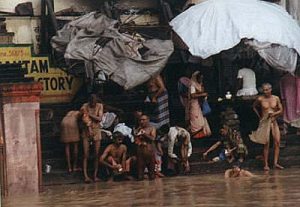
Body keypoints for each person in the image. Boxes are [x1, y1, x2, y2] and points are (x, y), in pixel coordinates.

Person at [250, 83, 284, 171]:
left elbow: (281, 110)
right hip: (264, 122)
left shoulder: (275, 98)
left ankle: (275, 163)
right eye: (264, 90)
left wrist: (274, 114)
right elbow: (254, 107)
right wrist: (260, 116)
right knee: (266, 143)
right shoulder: (260, 99)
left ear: (270, 89)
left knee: (277, 141)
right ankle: (266, 164)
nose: (265, 92)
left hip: (273, 120)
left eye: (267, 90)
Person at [81, 94, 103, 183]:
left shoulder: (100, 106)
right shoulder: (84, 106)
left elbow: (99, 118)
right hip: (86, 131)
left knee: (96, 154)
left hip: (96, 130)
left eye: (94, 102)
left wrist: (89, 114)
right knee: (85, 154)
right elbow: (85, 119)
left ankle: (95, 175)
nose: (93, 104)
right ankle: (86, 176)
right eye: (92, 102)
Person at [187, 71, 211, 138]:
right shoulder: (192, 85)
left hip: (200, 106)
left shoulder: (200, 85)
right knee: (196, 122)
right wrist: (202, 94)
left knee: (201, 121)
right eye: (200, 78)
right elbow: (193, 95)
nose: (201, 80)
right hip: (194, 106)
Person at [134, 114, 157, 180]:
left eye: (143, 120)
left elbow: (153, 138)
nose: (141, 121)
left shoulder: (152, 128)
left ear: (148, 120)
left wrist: (144, 134)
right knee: (140, 176)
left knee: (152, 176)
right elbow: (135, 140)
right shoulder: (138, 129)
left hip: (150, 153)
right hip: (140, 154)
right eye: (140, 120)